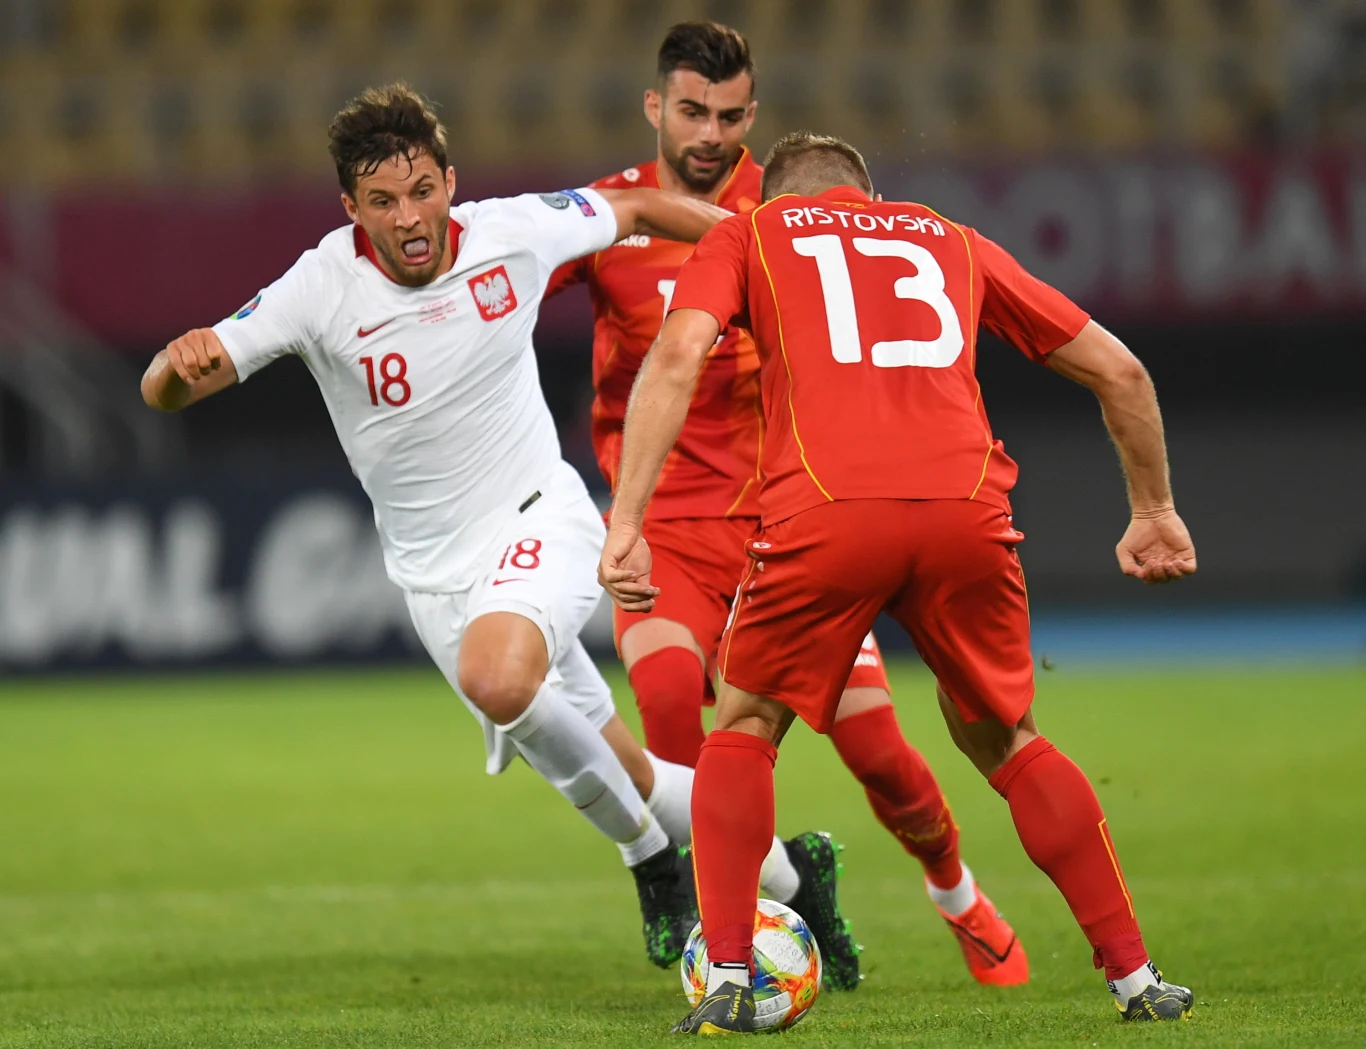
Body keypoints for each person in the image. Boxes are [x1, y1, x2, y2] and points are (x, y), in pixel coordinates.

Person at [600, 131, 1198, 1034]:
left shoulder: (749, 234)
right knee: (1010, 741)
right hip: (966, 508)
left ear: (779, 197)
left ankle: (728, 972)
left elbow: (679, 355)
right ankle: (1137, 977)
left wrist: (626, 520)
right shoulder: (951, 240)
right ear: (867, 199)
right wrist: (1153, 509)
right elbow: (1122, 369)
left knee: (748, 726)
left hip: (827, 510)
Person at [139, 83, 730, 970]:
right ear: (351, 209)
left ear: (450, 181)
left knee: (499, 677)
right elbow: (170, 384)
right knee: (627, 770)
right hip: (436, 581)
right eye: (382, 201)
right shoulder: (320, 285)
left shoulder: (512, 231)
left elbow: (640, 204)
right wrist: (175, 369)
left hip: (543, 515)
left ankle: (652, 866)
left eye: (422, 190)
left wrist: (762, 238)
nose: (409, 216)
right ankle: (796, 875)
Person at [547, 21, 1025, 992]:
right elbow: (501, 284)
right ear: (655, 108)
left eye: (729, 116)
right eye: (691, 111)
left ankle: (958, 894)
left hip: (786, 526)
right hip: (672, 531)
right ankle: (767, 911)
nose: (710, 133)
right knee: (680, 712)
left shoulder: (798, 214)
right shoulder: (605, 217)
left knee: (881, 752)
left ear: (753, 115)